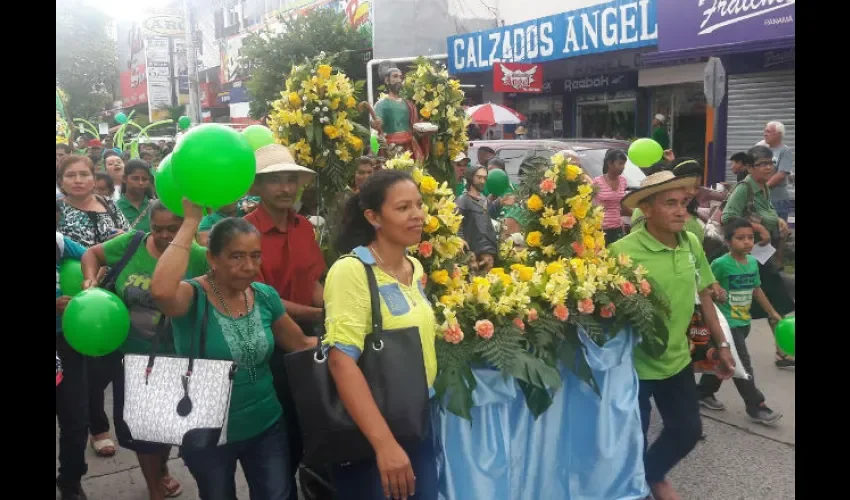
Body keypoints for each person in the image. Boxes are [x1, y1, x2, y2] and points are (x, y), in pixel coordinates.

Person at [150, 206, 317, 500]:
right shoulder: (193, 297)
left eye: (255, 256)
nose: (249, 266)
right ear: (212, 258)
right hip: (207, 431)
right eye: (236, 256)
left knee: (278, 495)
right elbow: (162, 292)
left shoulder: (264, 296)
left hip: (267, 424)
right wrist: (190, 222)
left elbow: (301, 343)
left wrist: (349, 342)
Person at [610, 171, 735, 500]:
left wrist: (721, 345)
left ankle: (650, 474)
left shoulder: (691, 243)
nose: (681, 211)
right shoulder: (621, 252)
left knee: (687, 431)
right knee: (631, 439)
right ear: (647, 210)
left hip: (677, 359)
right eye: (670, 204)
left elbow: (704, 294)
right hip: (632, 367)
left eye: (684, 203)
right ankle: (637, 488)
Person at [326, 169, 438, 500]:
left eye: (419, 205)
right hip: (375, 429)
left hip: (416, 418)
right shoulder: (352, 271)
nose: (417, 215)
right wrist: (385, 445)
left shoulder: (413, 268)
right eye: (403, 208)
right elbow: (340, 362)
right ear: (373, 217)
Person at [80, 200, 198, 499]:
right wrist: (90, 281)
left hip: (177, 357)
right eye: (157, 228)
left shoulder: (198, 257)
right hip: (131, 358)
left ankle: (162, 469)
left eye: (173, 228)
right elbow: (92, 254)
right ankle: (154, 486)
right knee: (142, 430)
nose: (164, 235)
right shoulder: (132, 243)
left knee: (167, 425)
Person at [243, 144, 326, 497]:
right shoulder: (244, 232)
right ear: (258, 187)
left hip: (309, 336)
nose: (285, 189)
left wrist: (337, 307)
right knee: (279, 432)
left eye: (291, 180)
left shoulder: (304, 226)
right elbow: (263, 299)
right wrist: (322, 314)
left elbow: (315, 281)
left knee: (313, 423)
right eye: (275, 181)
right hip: (266, 342)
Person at [57, 155, 131, 459]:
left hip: (113, 294)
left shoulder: (108, 204)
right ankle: (96, 427)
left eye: (84, 174)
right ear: (60, 181)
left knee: (109, 360)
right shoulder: (58, 211)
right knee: (82, 366)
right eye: (70, 175)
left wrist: (119, 241)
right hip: (75, 302)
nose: (78, 180)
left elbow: (130, 238)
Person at [697, 217, 784, 425]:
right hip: (726, 324)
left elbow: (756, 289)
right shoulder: (720, 264)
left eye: (750, 238)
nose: (746, 242)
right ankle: (756, 406)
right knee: (741, 364)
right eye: (740, 238)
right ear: (728, 241)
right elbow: (705, 285)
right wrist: (715, 291)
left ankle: (702, 392)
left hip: (743, 322)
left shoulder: (753, 263)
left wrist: (772, 312)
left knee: (723, 359)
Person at [721, 145, 794, 368]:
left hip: (762, 255)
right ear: (751, 168)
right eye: (763, 164)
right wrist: (756, 228)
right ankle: (725, 351)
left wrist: (777, 222)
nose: (769, 167)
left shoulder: (764, 188)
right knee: (770, 301)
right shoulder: (745, 188)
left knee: (775, 300)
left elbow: (766, 212)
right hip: (748, 254)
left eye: (771, 163)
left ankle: (781, 351)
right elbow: (728, 216)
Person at [56, 200, 90, 500]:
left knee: (75, 417)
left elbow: (92, 256)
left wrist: (89, 283)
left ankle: (70, 482)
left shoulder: (60, 242)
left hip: (65, 342)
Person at [630, 157, 706, 242]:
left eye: (697, 187)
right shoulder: (646, 210)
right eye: (687, 186)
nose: (692, 192)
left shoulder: (693, 218)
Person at [372, 68, 431, 161]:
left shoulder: (409, 104)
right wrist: (376, 123)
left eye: (401, 77)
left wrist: (424, 127)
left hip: (410, 147)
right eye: (395, 76)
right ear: (387, 80)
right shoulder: (381, 104)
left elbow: (414, 127)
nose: (399, 80)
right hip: (391, 148)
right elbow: (376, 123)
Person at [456, 166, 499, 273]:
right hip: (471, 247)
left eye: (485, 178)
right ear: (471, 178)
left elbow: (489, 216)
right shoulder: (463, 200)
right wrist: (460, 238)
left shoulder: (483, 199)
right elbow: (456, 221)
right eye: (479, 177)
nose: (482, 181)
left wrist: (500, 203)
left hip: (486, 246)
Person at [592, 149, 630, 245]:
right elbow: (589, 204)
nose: (622, 167)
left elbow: (622, 204)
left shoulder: (623, 181)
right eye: (620, 164)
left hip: (618, 228)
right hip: (600, 229)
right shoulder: (597, 182)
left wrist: (638, 213)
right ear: (610, 163)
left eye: (624, 165)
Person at [761, 121, 794, 221]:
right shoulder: (763, 150)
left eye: (768, 131)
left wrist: (763, 188)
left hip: (777, 201)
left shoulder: (785, 151)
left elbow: (781, 174)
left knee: (777, 232)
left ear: (779, 134)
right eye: (764, 131)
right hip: (762, 200)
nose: (764, 134)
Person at [117, 159, 154, 233]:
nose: (140, 183)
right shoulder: (115, 208)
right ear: (124, 178)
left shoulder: (155, 206)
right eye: (135, 178)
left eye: (144, 179)